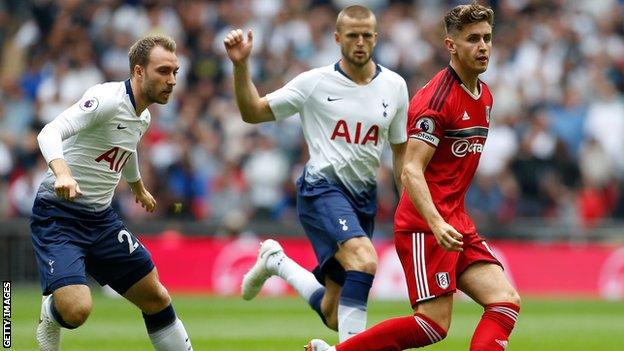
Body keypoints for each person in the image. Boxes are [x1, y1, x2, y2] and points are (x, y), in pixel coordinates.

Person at [307, 4, 521, 351]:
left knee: (505, 301)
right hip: (427, 224)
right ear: (451, 45)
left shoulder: (485, 95)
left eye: (487, 38)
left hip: (455, 221)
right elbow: (410, 169)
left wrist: (449, 220)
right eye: (472, 40)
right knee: (433, 324)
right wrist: (436, 223)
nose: (483, 46)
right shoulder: (436, 101)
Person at [223, 5, 408, 342]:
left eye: (367, 36)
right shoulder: (314, 83)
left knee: (335, 314)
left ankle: (276, 262)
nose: (360, 43)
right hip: (322, 190)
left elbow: (400, 153)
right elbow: (252, 112)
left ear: (376, 38)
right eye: (353, 36)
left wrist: (407, 206)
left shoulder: (394, 86)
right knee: (365, 261)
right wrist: (241, 65)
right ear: (338, 39)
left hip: (362, 199)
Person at [31, 35, 193, 351]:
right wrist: (62, 173)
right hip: (59, 216)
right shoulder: (106, 99)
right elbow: (49, 131)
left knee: (156, 296)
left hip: (102, 220)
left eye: (175, 71)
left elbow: (126, 146)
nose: (171, 80)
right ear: (139, 72)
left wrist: (136, 186)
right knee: (76, 311)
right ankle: (50, 314)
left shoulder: (142, 115)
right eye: (163, 71)